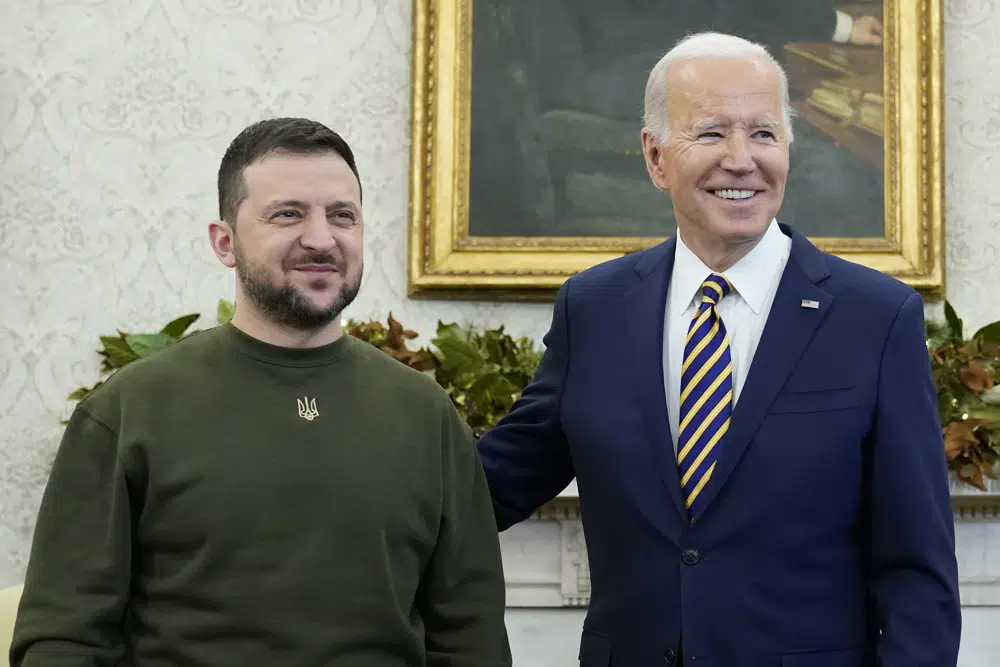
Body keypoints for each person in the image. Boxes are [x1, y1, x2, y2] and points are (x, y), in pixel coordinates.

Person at [476, 32, 961, 667]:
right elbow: (491, 486)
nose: (741, 159)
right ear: (655, 158)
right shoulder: (593, 310)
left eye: (763, 134)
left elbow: (917, 574)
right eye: (710, 133)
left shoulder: (875, 318)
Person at [10, 118, 511, 667]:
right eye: (287, 214)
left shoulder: (427, 415)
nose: (321, 238)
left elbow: (471, 637)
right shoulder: (127, 410)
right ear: (224, 243)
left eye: (342, 215)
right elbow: (63, 639)